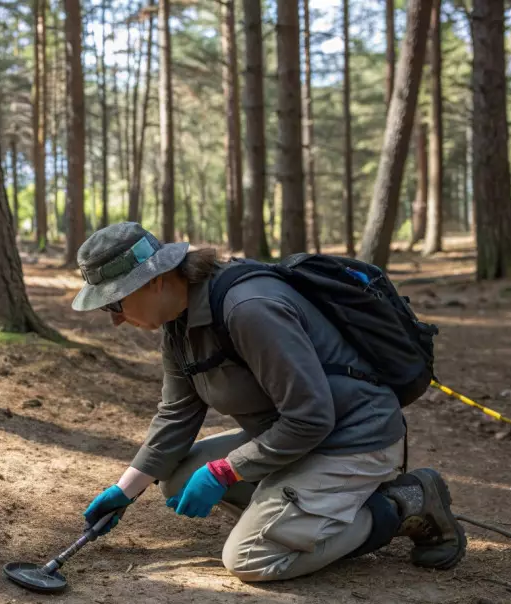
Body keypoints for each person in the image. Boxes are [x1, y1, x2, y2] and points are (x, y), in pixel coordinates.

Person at [72, 222, 466, 582]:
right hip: (295, 444)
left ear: (154, 280)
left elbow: (311, 417)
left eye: (115, 303)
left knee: (249, 558)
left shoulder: (248, 308)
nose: (116, 319)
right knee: (176, 479)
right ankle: (303, 514)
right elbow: (176, 415)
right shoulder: (178, 325)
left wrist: (228, 471)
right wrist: (124, 491)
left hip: (353, 440)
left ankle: (401, 504)